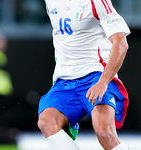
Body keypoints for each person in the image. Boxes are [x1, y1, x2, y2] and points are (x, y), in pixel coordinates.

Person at [38, 0, 130, 149]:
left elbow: (121, 43)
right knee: (46, 121)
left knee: (105, 133)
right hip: (65, 80)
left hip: (95, 76)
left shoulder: (96, 2)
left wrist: (103, 81)